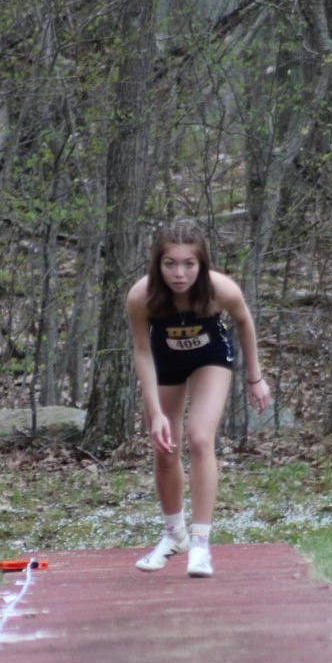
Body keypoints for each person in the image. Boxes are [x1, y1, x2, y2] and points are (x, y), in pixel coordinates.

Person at [126, 218, 271, 578]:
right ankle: (174, 535)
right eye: (170, 264)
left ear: (202, 264)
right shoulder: (141, 296)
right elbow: (142, 353)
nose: (180, 273)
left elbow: (244, 321)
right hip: (165, 362)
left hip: (211, 359)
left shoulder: (220, 289)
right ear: (158, 265)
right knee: (164, 446)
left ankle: (201, 545)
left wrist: (255, 378)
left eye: (189, 264)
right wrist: (155, 412)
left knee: (200, 438)